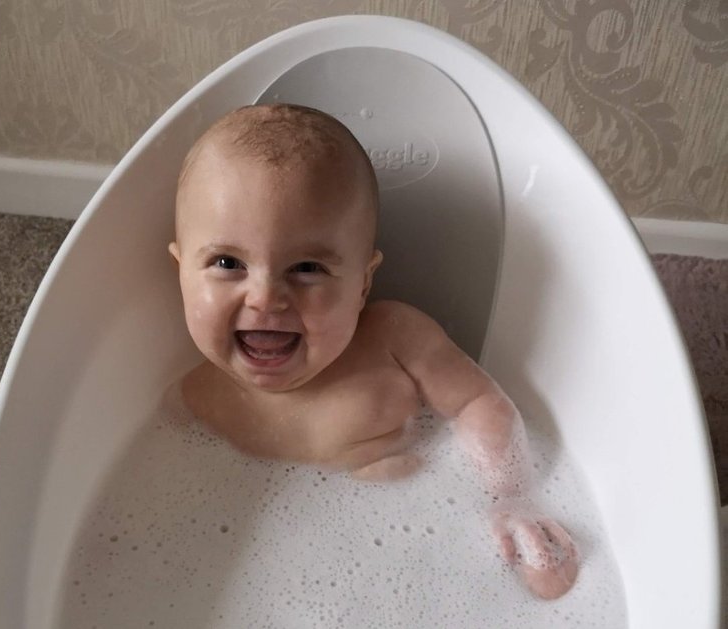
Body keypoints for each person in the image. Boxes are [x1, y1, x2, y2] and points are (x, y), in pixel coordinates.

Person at [167, 103, 578, 599]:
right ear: (181, 273)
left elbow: (477, 402)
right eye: (227, 262)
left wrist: (512, 497)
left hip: (422, 551)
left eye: (306, 268)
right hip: (287, 578)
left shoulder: (395, 339)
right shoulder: (195, 398)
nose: (265, 297)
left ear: (363, 283)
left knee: (549, 582)